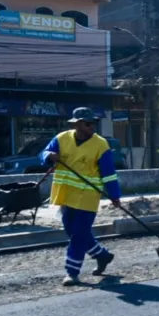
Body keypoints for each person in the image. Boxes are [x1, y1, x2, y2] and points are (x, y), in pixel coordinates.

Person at [40, 107, 122, 285]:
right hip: (66, 192)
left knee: (78, 234)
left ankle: (72, 272)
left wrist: (114, 195)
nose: (92, 126)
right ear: (77, 124)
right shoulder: (62, 138)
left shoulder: (101, 145)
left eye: (93, 123)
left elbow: (109, 173)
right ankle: (102, 255)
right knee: (72, 231)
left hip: (88, 195)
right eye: (88, 123)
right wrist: (49, 156)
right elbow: (43, 154)